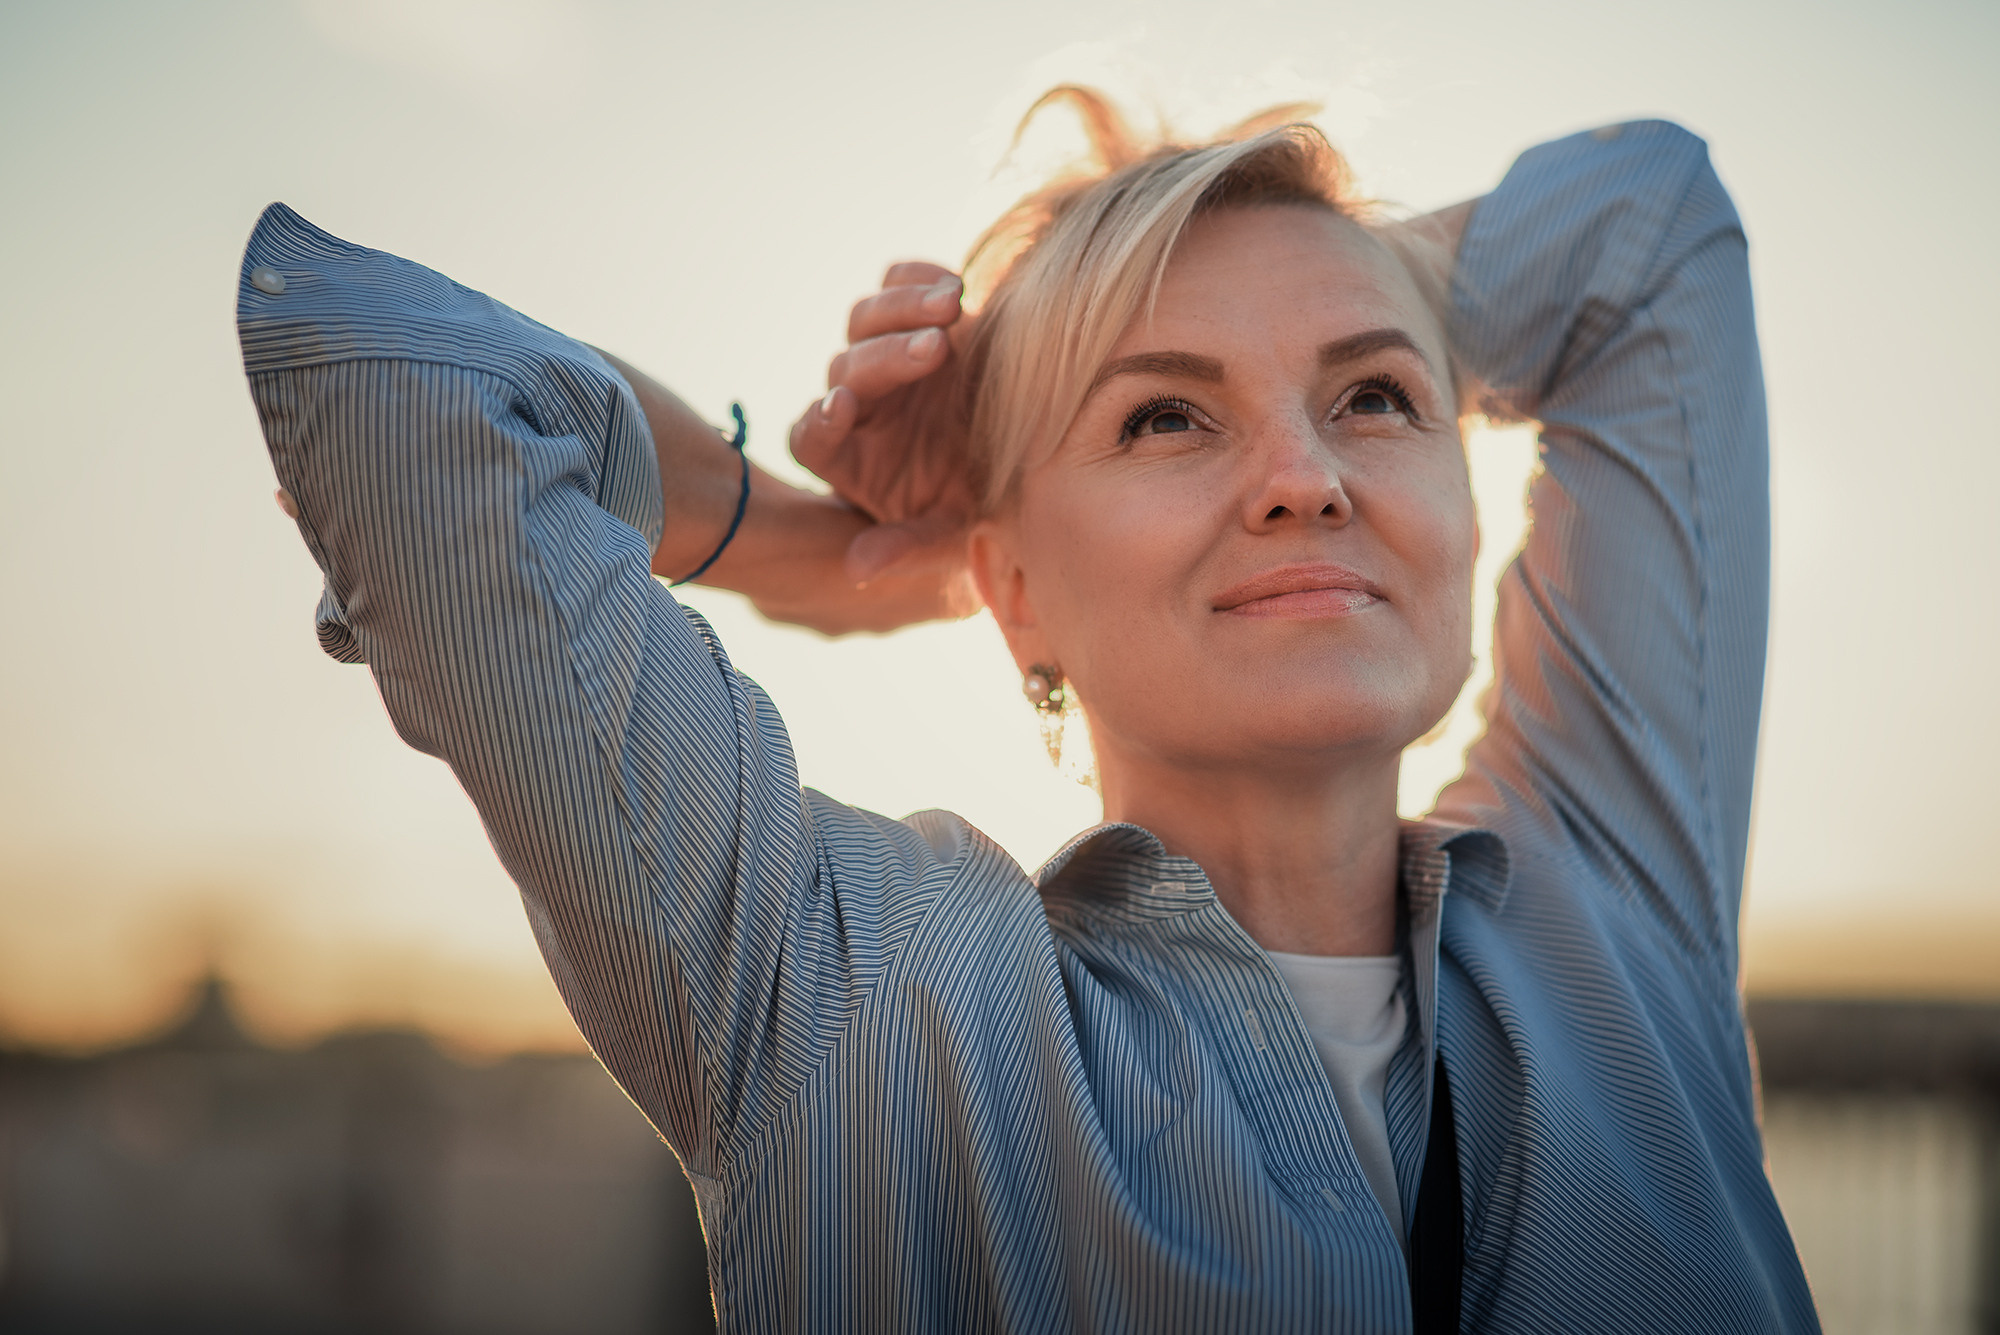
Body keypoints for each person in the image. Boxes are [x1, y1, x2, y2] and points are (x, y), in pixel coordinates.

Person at [239, 89, 1818, 1332]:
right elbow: (393, 381)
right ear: (1009, 592)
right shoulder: (842, 995)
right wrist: (825, 556)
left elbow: (1652, 230)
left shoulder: (1615, 898)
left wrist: (1326, 271)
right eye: (1165, 415)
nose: (1306, 478)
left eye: (1378, 394)